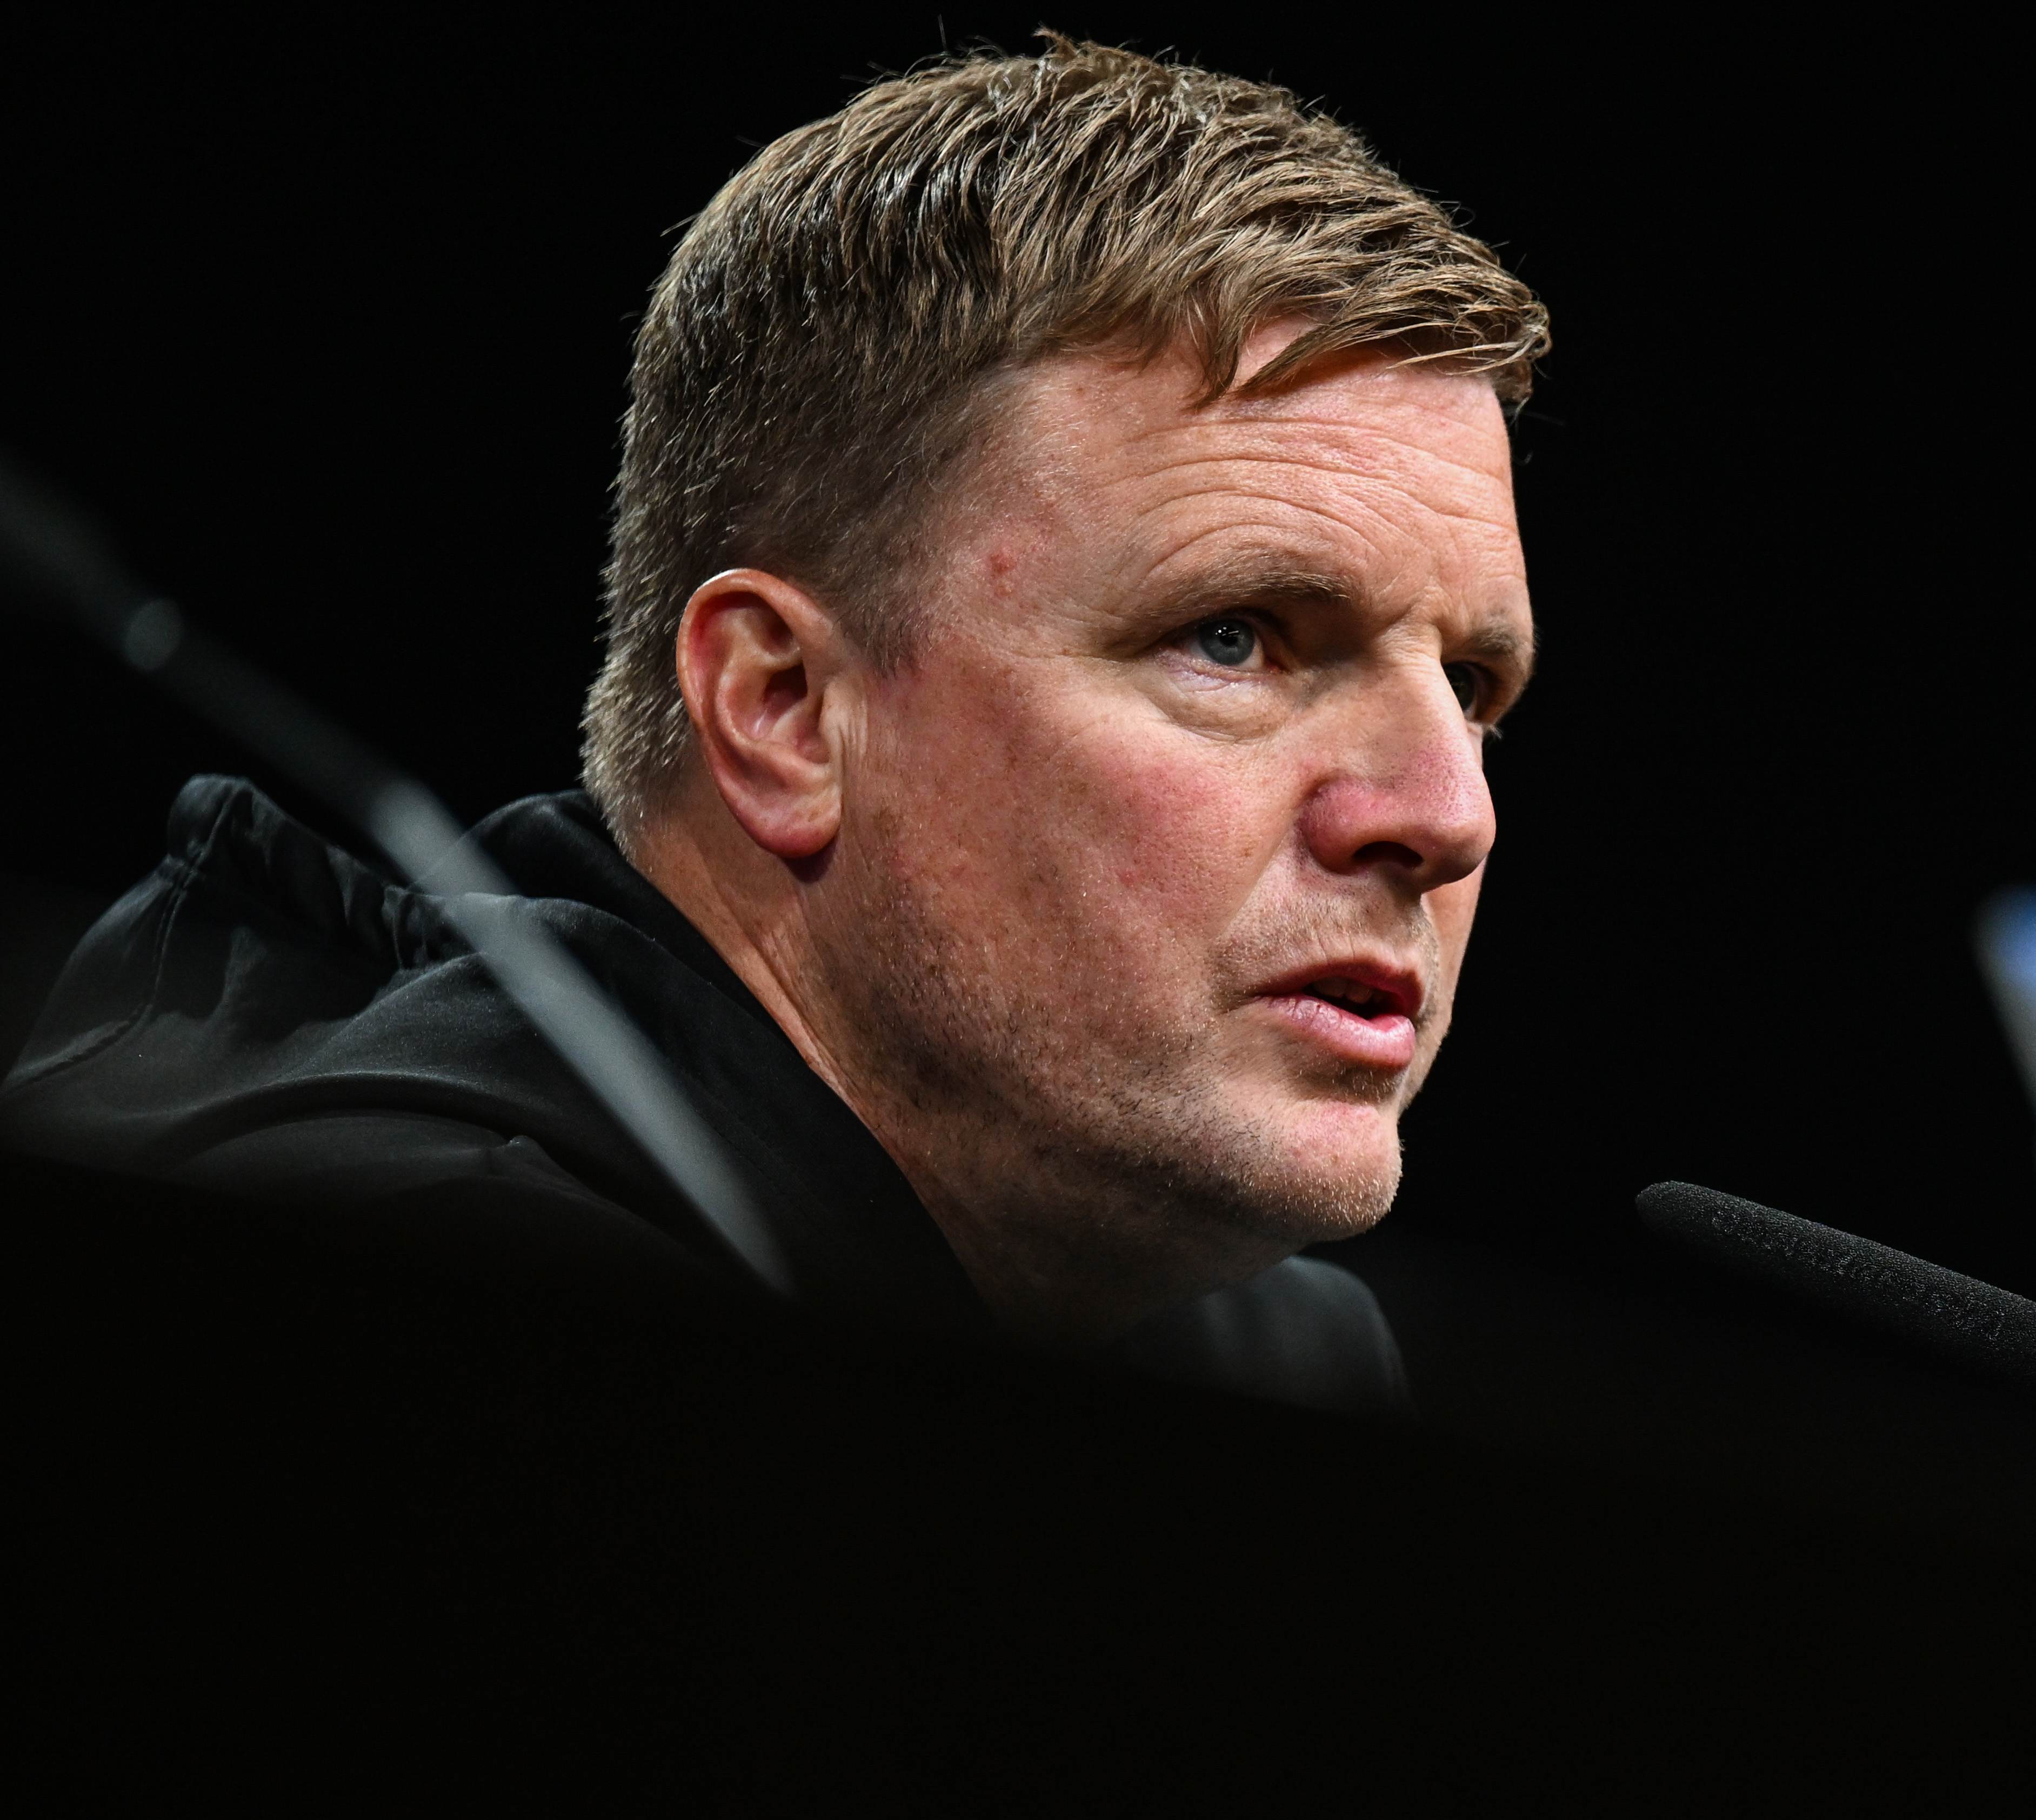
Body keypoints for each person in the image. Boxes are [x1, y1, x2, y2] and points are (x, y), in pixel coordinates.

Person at [0, 39, 1546, 1410]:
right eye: (1236, 639)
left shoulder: (1261, 1354)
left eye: (1474, 686)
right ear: (786, 713)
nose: (1444, 810)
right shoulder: (376, 1318)